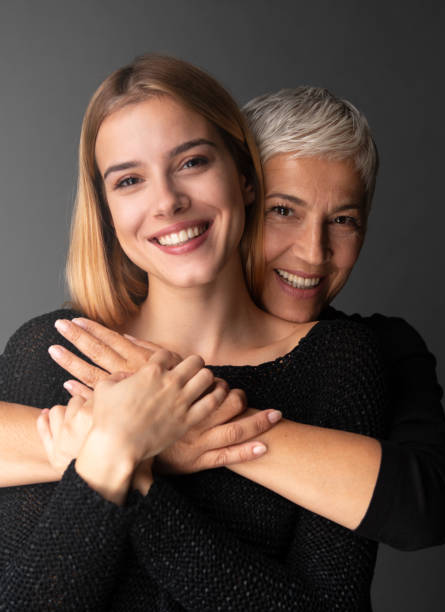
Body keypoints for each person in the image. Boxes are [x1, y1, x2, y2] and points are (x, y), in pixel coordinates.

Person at [0, 55, 387, 610]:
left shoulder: (338, 361)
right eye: (129, 180)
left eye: (192, 162)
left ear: (245, 177)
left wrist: (130, 472)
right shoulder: (55, 352)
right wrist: (114, 452)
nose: (167, 201)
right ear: (107, 209)